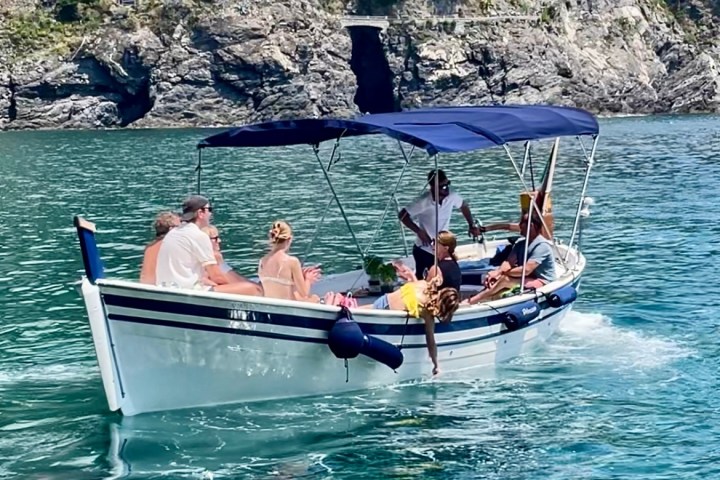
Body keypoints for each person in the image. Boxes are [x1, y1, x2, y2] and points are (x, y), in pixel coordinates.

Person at [364, 263, 460, 375]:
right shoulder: (428, 311)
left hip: (383, 300)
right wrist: (436, 365)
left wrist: (410, 274)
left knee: (351, 311)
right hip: (386, 317)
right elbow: (431, 341)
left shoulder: (424, 284)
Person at [155, 195, 262, 295]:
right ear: (200, 213)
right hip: (190, 291)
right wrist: (234, 287)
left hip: (167, 288)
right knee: (255, 289)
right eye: (209, 209)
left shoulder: (172, 233)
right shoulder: (198, 235)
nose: (211, 213)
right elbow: (217, 277)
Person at [398, 169, 481, 279]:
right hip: (424, 249)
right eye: (442, 186)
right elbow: (403, 216)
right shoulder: (423, 202)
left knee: (449, 276)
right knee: (425, 281)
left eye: (448, 184)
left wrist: (471, 225)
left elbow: (463, 205)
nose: (446, 188)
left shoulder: (452, 196)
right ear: (433, 187)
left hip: (442, 247)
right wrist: (418, 231)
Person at [466, 212, 557, 304]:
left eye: (522, 222)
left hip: (543, 281)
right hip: (528, 278)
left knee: (505, 279)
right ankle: (485, 300)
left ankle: (472, 301)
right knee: (496, 278)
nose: (519, 225)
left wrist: (503, 273)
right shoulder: (520, 244)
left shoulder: (541, 246)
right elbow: (508, 262)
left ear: (531, 226)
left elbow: (526, 270)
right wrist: (497, 273)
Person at [258, 220, 321, 301]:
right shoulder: (292, 261)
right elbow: (304, 293)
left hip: (271, 308)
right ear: (289, 239)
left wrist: (299, 276)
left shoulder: (262, 261)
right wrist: (308, 279)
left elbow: (277, 286)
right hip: (289, 307)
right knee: (315, 298)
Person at [140, 211, 181, 284]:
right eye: (180, 227)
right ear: (172, 229)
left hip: (146, 289)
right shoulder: (172, 246)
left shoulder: (149, 248)